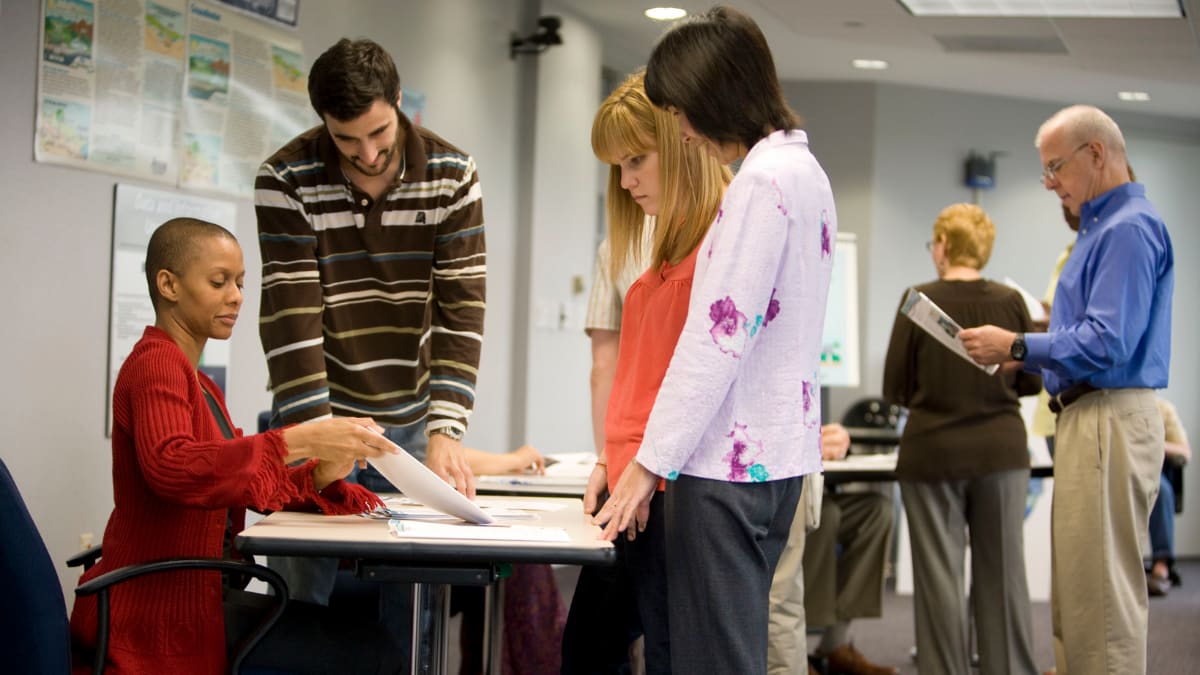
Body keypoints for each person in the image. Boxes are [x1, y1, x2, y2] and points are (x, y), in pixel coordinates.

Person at [595, 8, 837, 673]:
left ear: (714, 97)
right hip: (778, 462)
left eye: (681, 111)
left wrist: (648, 464)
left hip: (724, 471)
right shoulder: (806, 172)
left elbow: (715, 338)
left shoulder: (759, 183)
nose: (682, 129)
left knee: (709, 662)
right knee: (732, 654)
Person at [69, 217, 409, 674]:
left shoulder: (200, 382)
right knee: (377, 653)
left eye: (241, 283)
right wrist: (301, 437)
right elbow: (174, 468)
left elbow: (236, 479)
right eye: (219, 281)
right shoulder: (156, 365)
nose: (237, 297)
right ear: (168, 284)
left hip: (199, 594)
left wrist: (325, 469)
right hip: (158, 611)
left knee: (371, 644)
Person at [254, 37, 486, 638]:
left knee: (409, 615)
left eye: (380, 132)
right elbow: (291, 316)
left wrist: (446, 429)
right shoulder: (285, 178)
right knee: (302, 605)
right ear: (323, 124)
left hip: (408, 427)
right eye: (347, 139)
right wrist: (321, 433)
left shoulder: (452, 175)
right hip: (314, 411)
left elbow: (462, 309)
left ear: (399, 102)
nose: (369, 152)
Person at [960, 104, 1174, 675]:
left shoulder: (1128, 229)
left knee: (1101, 607)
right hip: (1089, 418)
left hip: (1108, 416)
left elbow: (1108, 343)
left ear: (1096, 154)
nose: (1051, 183)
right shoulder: (1102, 227)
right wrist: (1026, 358)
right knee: (1081, 600)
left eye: (1056, 168)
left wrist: (1019, 346)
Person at [563, 69, 731, 675]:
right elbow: (630, 380)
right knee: (590, 647)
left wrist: (641, 469)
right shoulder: (658, 259)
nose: (627, 181)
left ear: (682, 142)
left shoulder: (724, 246)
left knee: (668, 653)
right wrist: (613, 463)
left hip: (677, 490)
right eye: (618, 167)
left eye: (637, 160)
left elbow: (696, 387)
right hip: (635, 484)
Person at [883, 203, 1040, 675]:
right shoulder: (1012, 302)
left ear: (944, 246)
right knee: (1005, 582)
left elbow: (896, 388)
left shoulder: (917, 300)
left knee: (939, 585)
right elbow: (1030, 381)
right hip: (1002, 453)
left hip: (932, 455)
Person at [797, 424, 897, 675]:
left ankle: (834, 642)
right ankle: (796, 654)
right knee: (825, 516)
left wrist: (835, 439)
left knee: (877, 510)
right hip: (780, 485)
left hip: (816, 483)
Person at [1146, 396, 1190, 597]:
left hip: (1152, 471)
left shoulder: (1163, 409)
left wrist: (1156, 445)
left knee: (1161, 489)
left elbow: (1184, 452)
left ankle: (1161, 567)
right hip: (1119, 470)